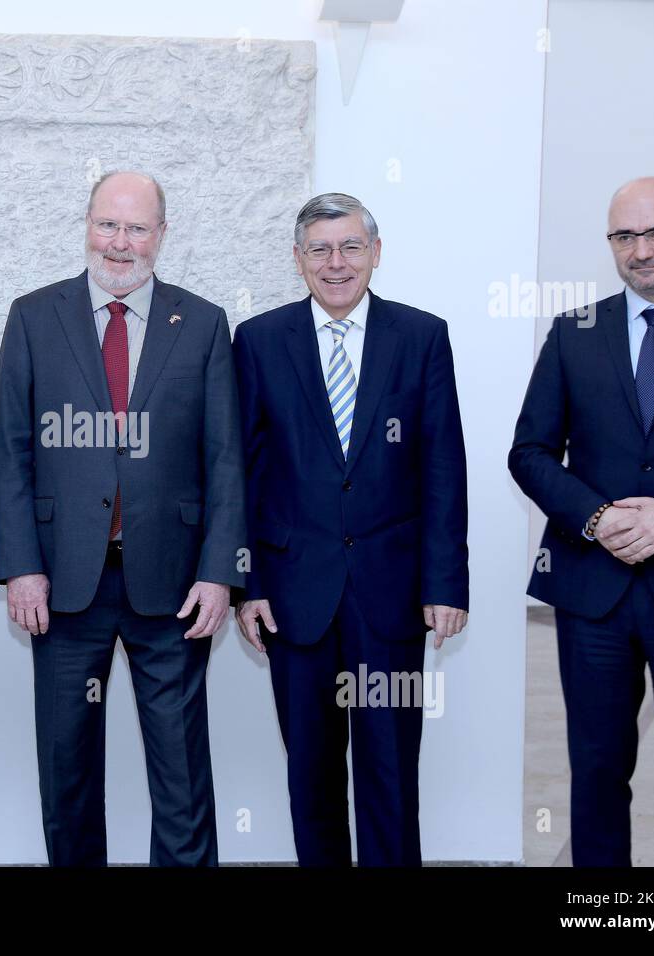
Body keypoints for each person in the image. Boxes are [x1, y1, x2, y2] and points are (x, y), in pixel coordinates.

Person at [0, 170, 245, 866]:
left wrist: (221, 573)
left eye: (136, 228)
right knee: (67, 772)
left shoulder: (204, 323)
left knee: (182, 775)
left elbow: (226, 460)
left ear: (162, 236)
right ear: (87, 225)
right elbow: (9, 453)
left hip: (175, 585)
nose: (120, 242)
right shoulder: (35, 316)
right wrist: (19, 568)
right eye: (108, 224)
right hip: (65, 583)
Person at [509, 176, 654, 867]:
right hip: (593, 598)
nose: (643, 250)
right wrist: (595, 516)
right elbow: (529, 452)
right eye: (625, 237)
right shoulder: (575, 332)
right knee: (597, 777)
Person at [233, 192, 469, 866]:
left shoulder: (421, 336)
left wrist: (446, 582)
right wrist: (247, 582)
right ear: (299, 260)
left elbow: (442, 466)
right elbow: (242, 473)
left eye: (350, 247)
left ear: (375, 253)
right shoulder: (259, 341)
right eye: (320, 250)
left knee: (391, 773)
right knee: (310, 773)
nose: (336, 263)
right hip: (292, 596)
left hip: (390, 596)